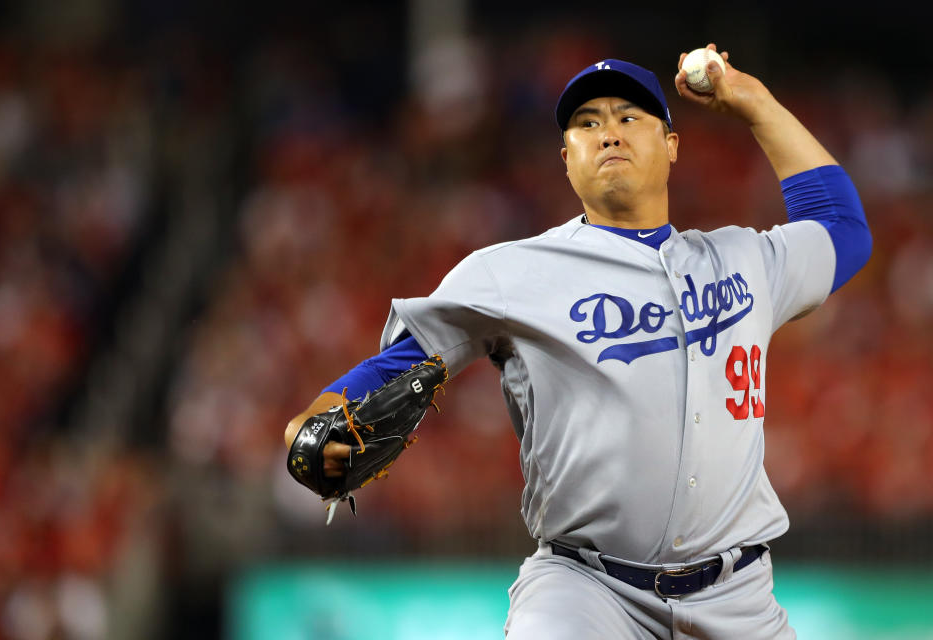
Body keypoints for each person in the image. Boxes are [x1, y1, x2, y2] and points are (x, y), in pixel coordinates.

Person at [284, 44, 871, 639]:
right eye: (588, 124)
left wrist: (754, 103)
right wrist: (312, 421)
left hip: (738, 597)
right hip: (587, 592)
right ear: (567, 159)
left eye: (629, 117)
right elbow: (399, 365)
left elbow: (841, 229)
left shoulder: (742, 259)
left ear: (671, 146)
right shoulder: (510, 273)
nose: (609, 133)